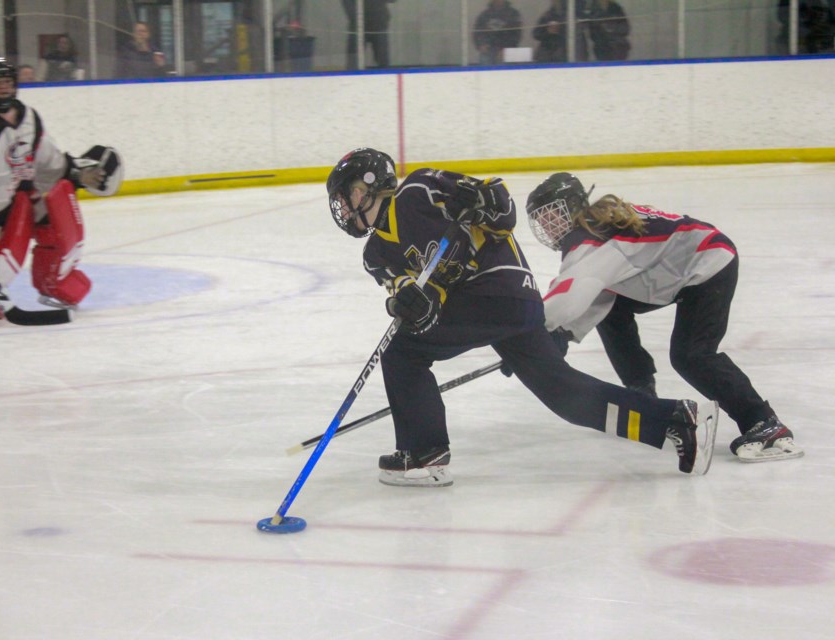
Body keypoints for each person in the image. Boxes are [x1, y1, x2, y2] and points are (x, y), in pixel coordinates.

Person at [325, 148, 719, 487]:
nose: (342, 208)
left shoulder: (418, 188)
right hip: (506, 305)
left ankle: (423, 453)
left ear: (364, 188)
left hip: (496, 289)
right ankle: (676, 421)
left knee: (402, 354)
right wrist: (409, 302)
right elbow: (406, 293)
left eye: (345, 196)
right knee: (562, 393)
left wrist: (486, 202)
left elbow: (500, 207)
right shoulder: (375, 254)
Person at [525, 172, 804, 463]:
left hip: (708, 264)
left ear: (572, 206)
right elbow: (598, 292)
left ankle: (764, 423)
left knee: (692, 355)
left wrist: (533, 333)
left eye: (551, 214)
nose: (546, 224)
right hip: (673, 270)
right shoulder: (597, 225)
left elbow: (572, 290)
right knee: (612, 310)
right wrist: (561, 332)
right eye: (540, 219)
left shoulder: (593, 238)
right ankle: (640, 388)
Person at [0, 58, 122, 323]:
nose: (3, 89)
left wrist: (77, 173)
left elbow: (48, 161)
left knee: (59, 217)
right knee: (8, 256)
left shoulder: (29, 119)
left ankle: (56, 284)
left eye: (7, 83)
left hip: (20, 195)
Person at [342, 0, 395, 69]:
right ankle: (352, 77)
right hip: (358, 26)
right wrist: (354, 17)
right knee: (353, 62)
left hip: (378, 24)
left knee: (383, 60)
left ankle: (386, 77)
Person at [473, 0, 523, 65]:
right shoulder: (485, 14)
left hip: (507, 52)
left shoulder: (513, 14)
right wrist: (481, 44)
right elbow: (478, 32)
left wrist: (506, 49)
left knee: (506, 72)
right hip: (489, 51)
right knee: (485, 68)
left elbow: (516, 34)